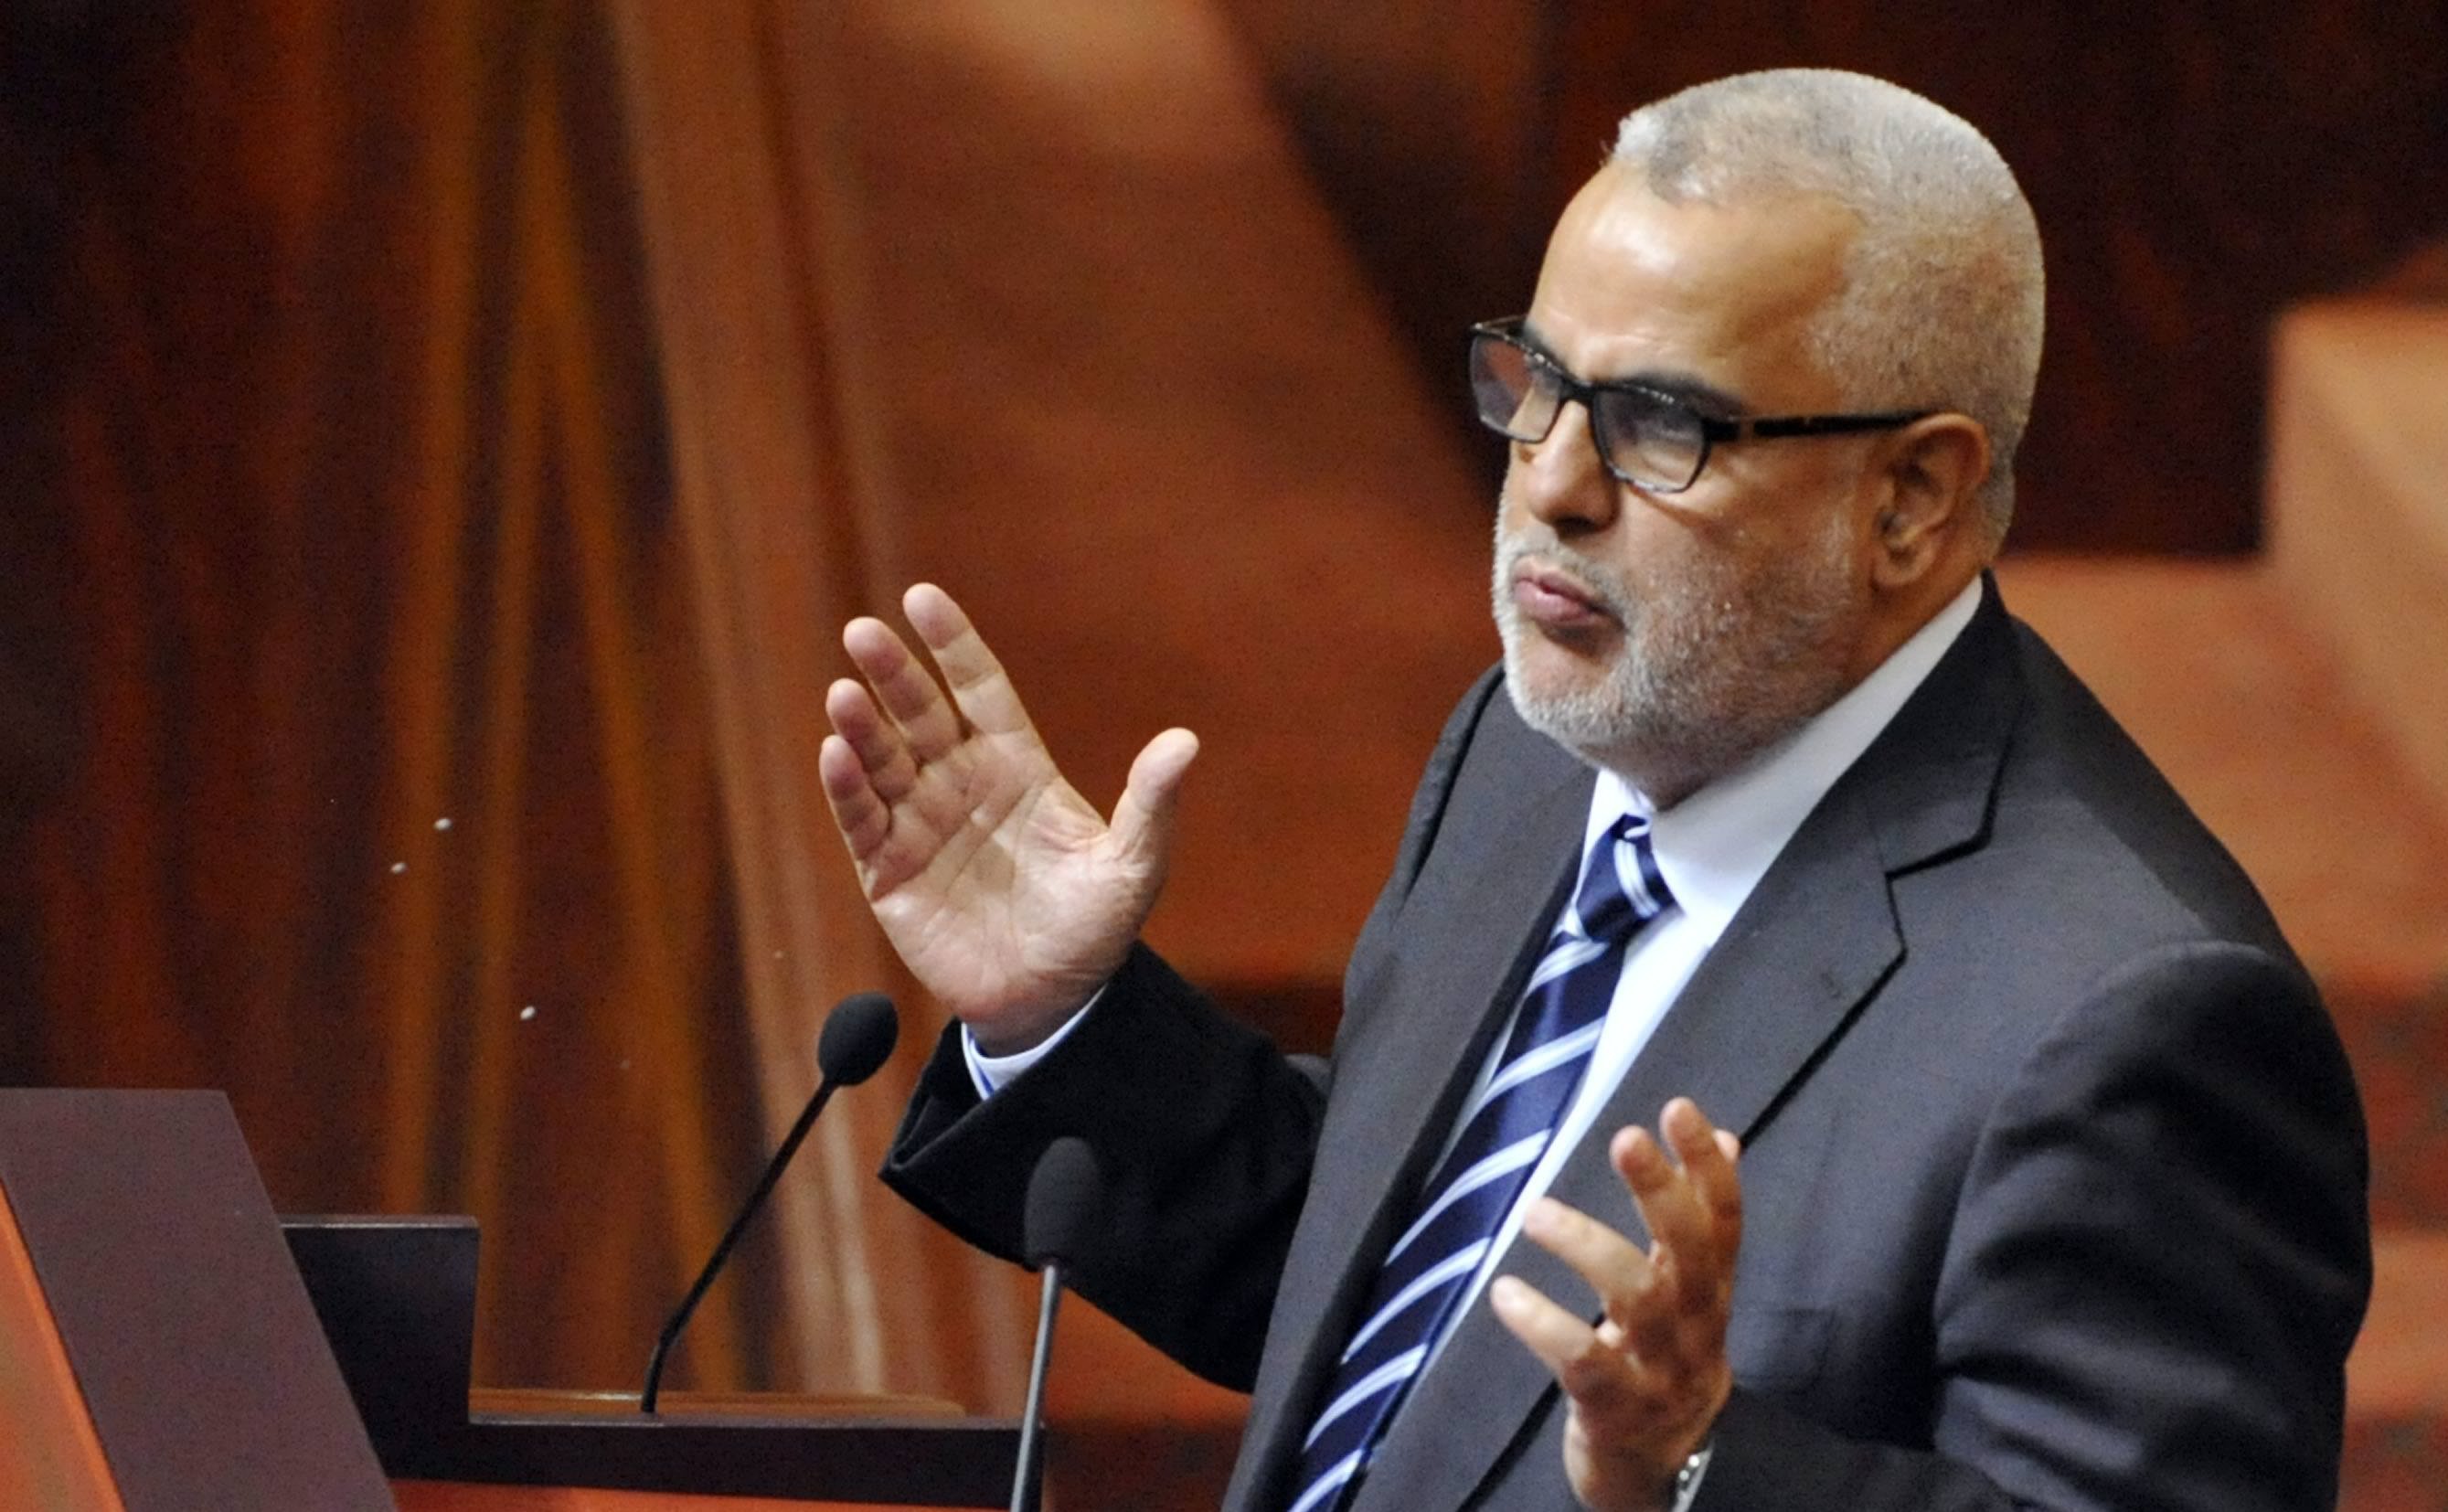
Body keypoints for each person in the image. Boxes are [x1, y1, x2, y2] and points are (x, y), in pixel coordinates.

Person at [818, 69, 2369, 1512]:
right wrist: (1066, 1019)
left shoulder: (2131, 1018)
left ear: (1910, 497)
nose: (1552, 480)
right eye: (1539, 382)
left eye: (1661, 425)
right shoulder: (1538, 740)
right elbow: (1404, 1296)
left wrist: (1699, 1464)